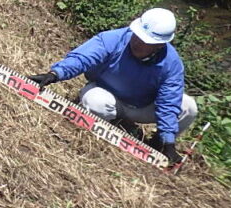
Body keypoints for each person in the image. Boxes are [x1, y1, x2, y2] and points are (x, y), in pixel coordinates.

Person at [27, 8, 198, 165]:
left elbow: (169, 103)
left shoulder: (172, 64)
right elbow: (83, 58)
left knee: (188, 107)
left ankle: (157, 144)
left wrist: (168, 141)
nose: (138, 43)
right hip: (106, 96)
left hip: (141, 106)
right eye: (137, 36)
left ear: (159, 46)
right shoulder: (113, 38)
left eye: (145, 41)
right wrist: (55, 74)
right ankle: (109, 122)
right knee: (95, 102)